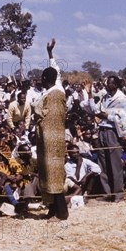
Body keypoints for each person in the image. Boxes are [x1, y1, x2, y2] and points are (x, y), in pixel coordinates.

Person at [84, 75, 126, 202]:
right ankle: (107, 192)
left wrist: (106, 116)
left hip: (113, 131)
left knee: (114, 163)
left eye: (110, 83)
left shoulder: (121, 99)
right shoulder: (105, 97)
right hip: (102, 130)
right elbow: (95, 109)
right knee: (103, 163)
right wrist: (89, 94)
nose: (106, 84)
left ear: (116, 85)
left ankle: (118, 194)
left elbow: (123, 117)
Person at [34, 39, 68, 220]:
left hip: (53, 139)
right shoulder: (51, 90)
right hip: (45, 140)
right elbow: (57, 71)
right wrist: (50, 53)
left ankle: (62, 212)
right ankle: (53, 208)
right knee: (47, 173)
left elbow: (56, 73)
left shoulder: (58, 90)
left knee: (55, 173)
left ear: (44, 79)